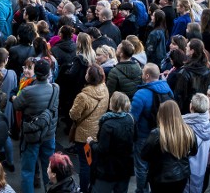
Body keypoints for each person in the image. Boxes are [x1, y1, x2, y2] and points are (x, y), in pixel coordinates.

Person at [13, 59, 60, 193]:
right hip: (49, 134)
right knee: (49, 168)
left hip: (31, 135)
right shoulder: (56, 89)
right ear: (49, 72)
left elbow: (16, 106)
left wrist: (15, 98)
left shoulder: (28, 91)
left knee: (28, 170)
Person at [130, 63, 173, 193]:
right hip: (163, 134)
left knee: (141, 166)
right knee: (156, 164)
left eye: (143, 72)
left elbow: (133, 118)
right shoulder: (168, 89)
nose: (142, 74)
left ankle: (141, 190)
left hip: (144, 136)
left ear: (147, 75)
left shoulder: (141, 94)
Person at [140, 100, 197, 193]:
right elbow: (194, 151)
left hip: (160, 177)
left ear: (162, 114)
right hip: (182, 175)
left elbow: (144, 155)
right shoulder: (188, 131)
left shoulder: (157, 133)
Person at [68, 64, 109, 193]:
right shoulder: (105, 89)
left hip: (83, 135)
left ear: (89, 78)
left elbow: (73, 114)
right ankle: (92, 186)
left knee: (85, 164)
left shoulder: (83, 96)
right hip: (98, 132)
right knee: (92, 162)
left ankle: (84, 189)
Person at [87, 91, 135, 193]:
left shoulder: (108, 124)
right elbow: (135, 138)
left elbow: (102, 149)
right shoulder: (131, 119)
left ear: (112, 104)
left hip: (108, 170)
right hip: (125, 168)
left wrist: (91, 143)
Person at [182, 93, 210, 193]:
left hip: (188, 169)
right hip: (201, 167)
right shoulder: (208, 121)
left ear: (191, 106)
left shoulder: (186, 125)